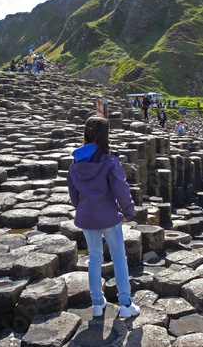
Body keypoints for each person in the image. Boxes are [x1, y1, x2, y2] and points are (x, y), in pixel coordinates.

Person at [67, 116, 140, 318]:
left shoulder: (76, 162)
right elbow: (121, 188)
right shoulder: (109, 160)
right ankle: (125, 305)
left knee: (94, 259)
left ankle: (97, 304)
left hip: (87, 219)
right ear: (105, 135)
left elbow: (73, 193)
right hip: (109, 218)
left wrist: (84, 209)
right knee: (119, 258)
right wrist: (128, 211)